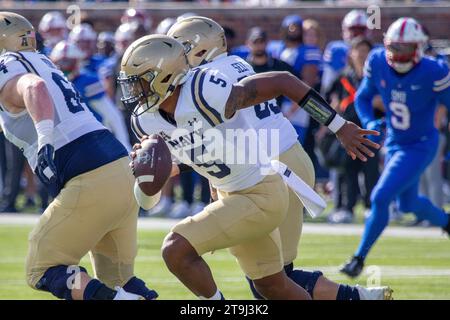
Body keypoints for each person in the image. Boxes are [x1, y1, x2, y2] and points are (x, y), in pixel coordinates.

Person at [119, 34, 380, 300]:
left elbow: (282, 81)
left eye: (139, 82)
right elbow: (149, 200)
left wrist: (339, 125)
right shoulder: (145, 122)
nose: (133, 92)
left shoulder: (205, 89)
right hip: (231, 196)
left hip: (261, 192)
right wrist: (150, 176)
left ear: (164, 75)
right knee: (272, 287)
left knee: (175, 249)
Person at [0, 12, 157, 300]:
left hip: (88, 173)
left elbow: (34, 87)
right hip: (119, 169)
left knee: (41, 268)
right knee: (120, 281)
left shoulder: (9, 68)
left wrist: (46, 139)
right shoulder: (43, 61)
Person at [341, 17, 450, 278]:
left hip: (420, 145)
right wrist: (369, 121)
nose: (395, 54)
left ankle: (358, 258)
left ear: (417, 48)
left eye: (403, 48)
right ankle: (447, 222)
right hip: (394, 142)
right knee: (408, 203)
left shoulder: (434, 71)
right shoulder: (378, 61)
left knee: (380, 196)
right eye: (393, 47)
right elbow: (363, 98)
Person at [325, 38, 381, 224]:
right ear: (351, 54)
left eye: (366, 51)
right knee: (347, 171)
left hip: (370, 131)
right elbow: (328, 99)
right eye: (358, 50)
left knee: (371, 172)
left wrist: (377, 104)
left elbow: (387, 103)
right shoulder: (343, 77)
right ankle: (346, 208)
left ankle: (370, 207)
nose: (362, 55)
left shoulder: (376, 78)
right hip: (347, 131)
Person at [50, 40, 131, 150]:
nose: (62, 67)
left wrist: (125, 145)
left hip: (92, 139)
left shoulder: (87, 82)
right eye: (59, 63)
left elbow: (112, 116)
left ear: (77, 62)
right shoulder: (50, 83)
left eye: (67, 63)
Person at [321, 10, 370, 96]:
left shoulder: (374, 50)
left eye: (360, 30)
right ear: (344, 30)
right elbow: (327, 83)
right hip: (342, 94)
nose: (357, 34)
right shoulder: (336, 49)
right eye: (353, 30)